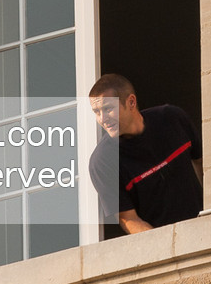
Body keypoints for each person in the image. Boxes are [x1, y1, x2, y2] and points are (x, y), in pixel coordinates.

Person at [87, 72, 203, 233]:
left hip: (207, 228)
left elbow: (203, 164)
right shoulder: (102, 161)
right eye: (96, 112)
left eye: (107, 109)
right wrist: (168, 248)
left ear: (131, 102)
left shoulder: (172, 118)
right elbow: (128, 219)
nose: (102, 118)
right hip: (166, 246)